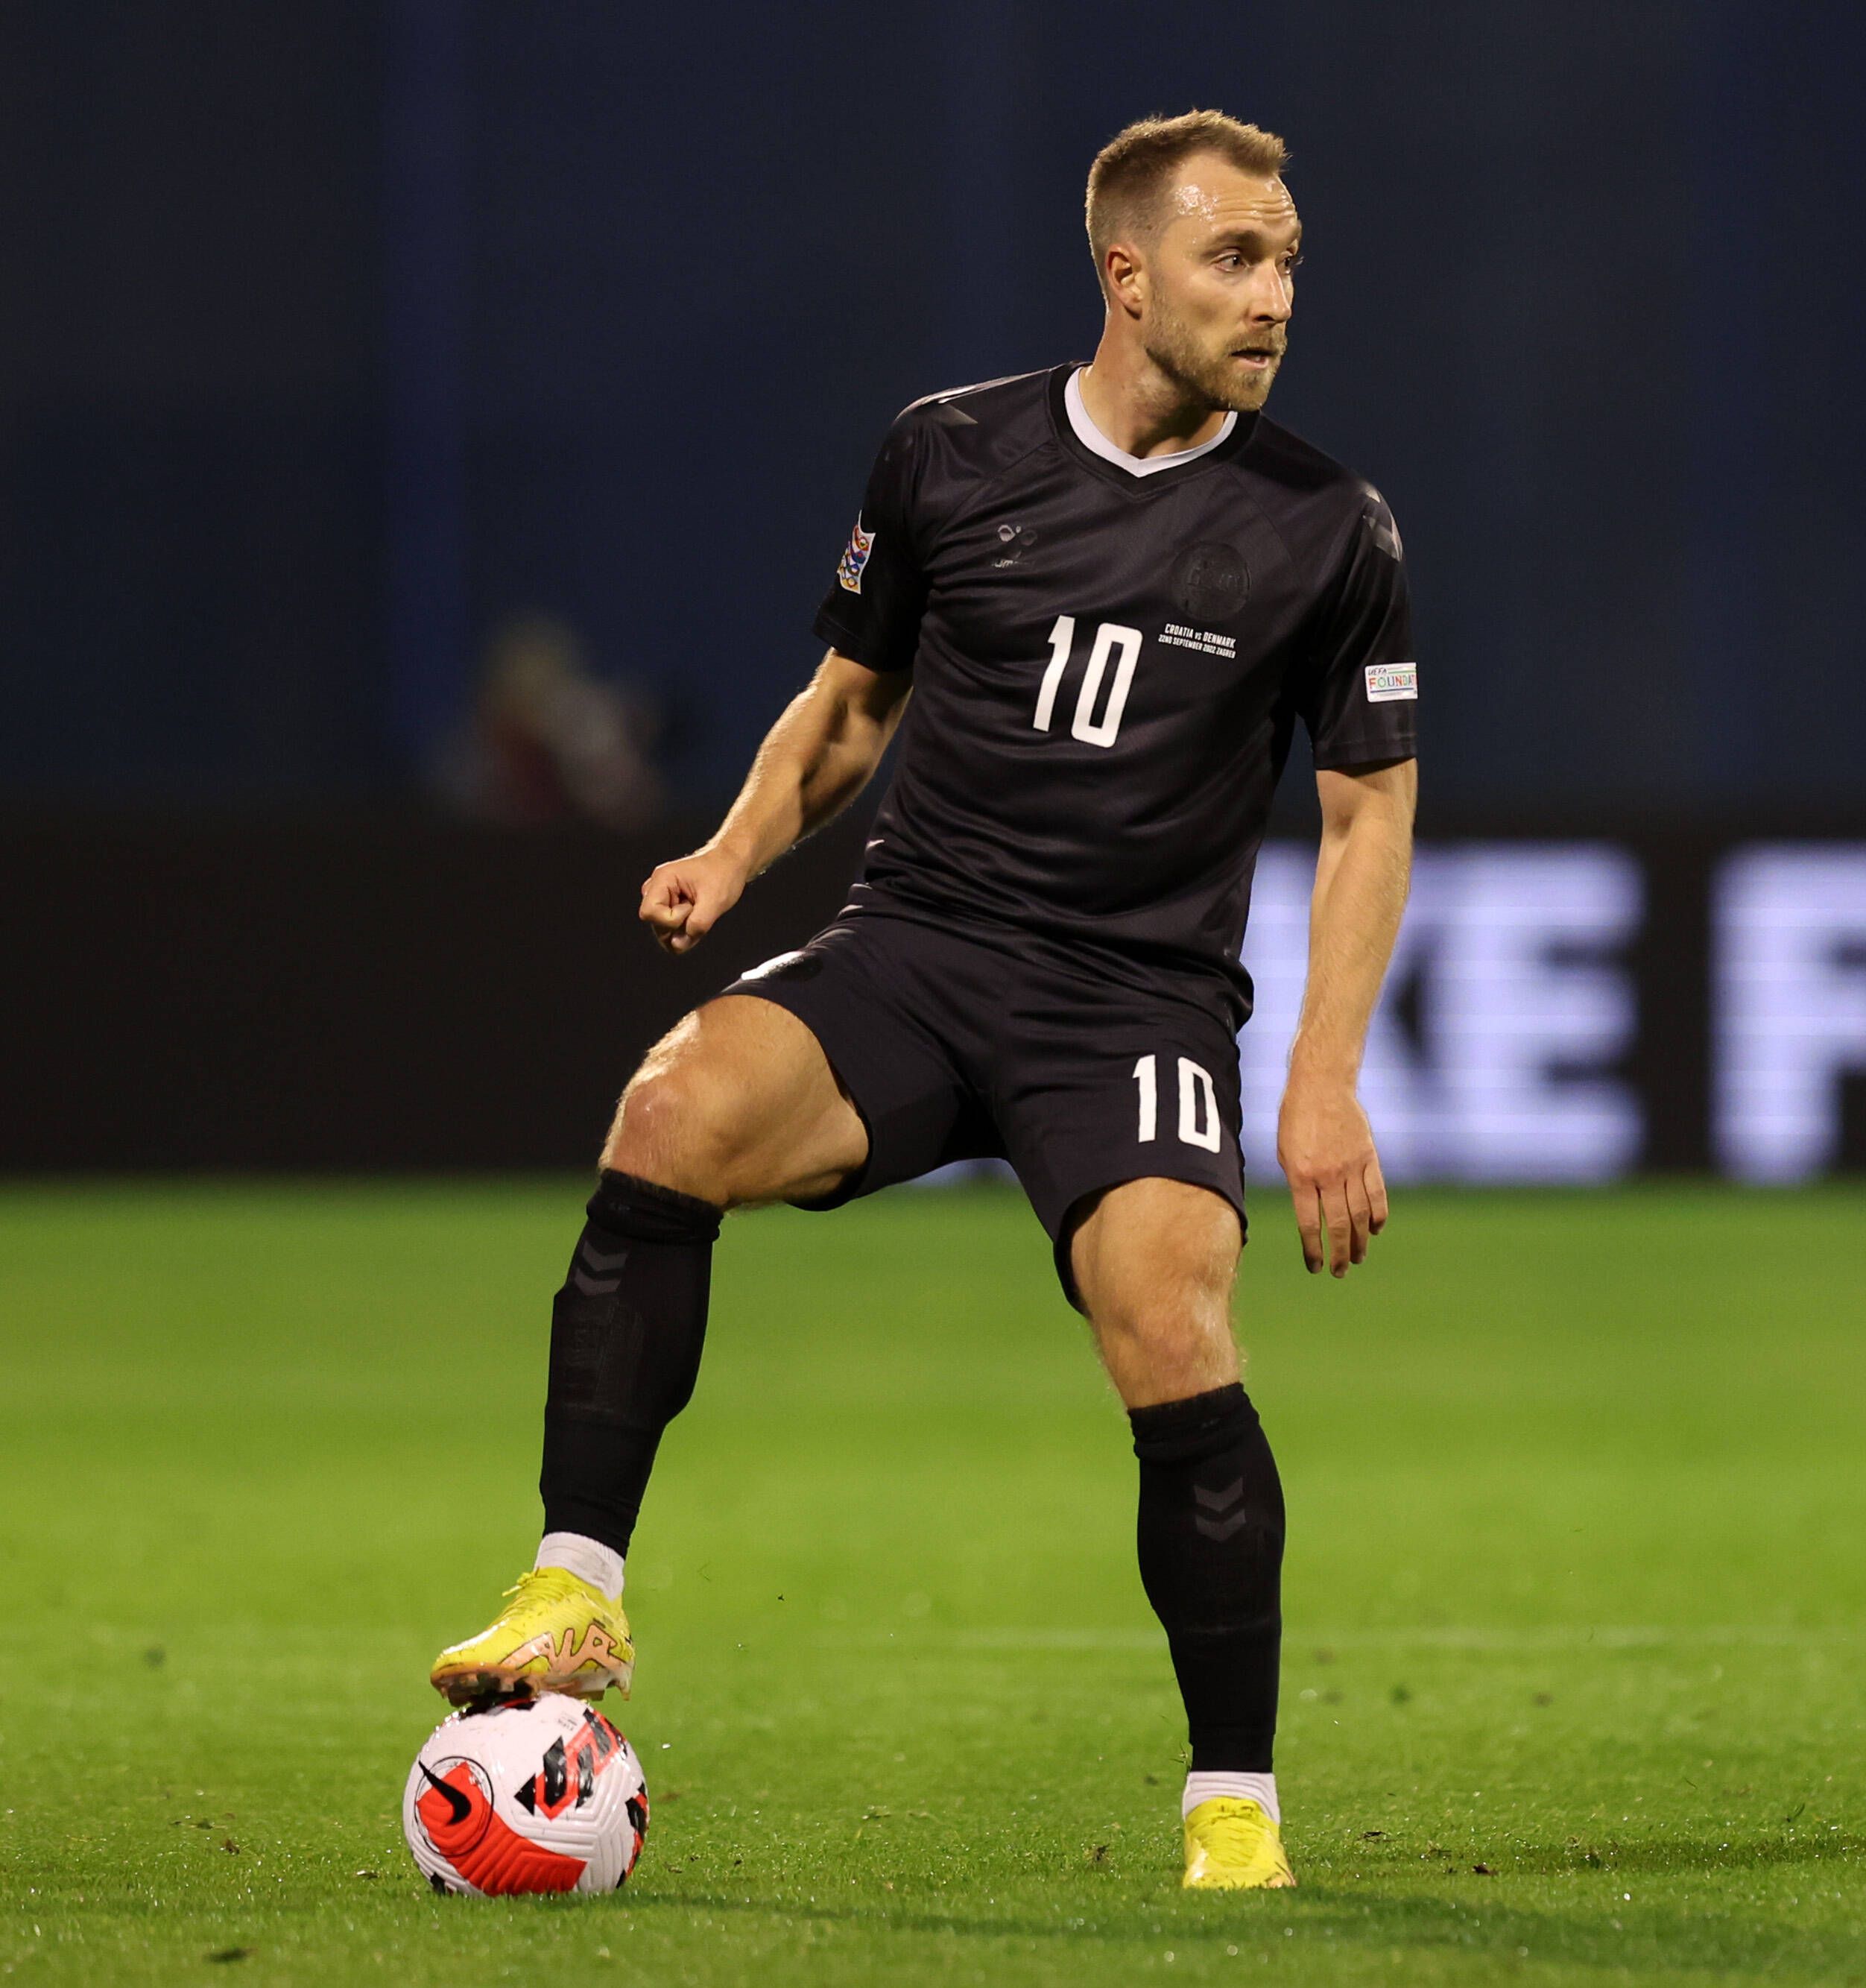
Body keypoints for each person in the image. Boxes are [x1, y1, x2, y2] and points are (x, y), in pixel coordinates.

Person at [426, 110, 1417, 1891]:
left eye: (1283, 263)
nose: (1272, 298)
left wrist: (1322, 1078)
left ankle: (1232, 1808)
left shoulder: (1327, 529)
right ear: (1126, 274)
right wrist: (735, 856)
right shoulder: (947, 453)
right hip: (918, 942)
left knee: (1171, 1316)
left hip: (1131, 998)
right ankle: (577, 1584)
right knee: (671, 1108)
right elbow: (849, 707)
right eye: (1232, 259)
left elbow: (1364, 814)